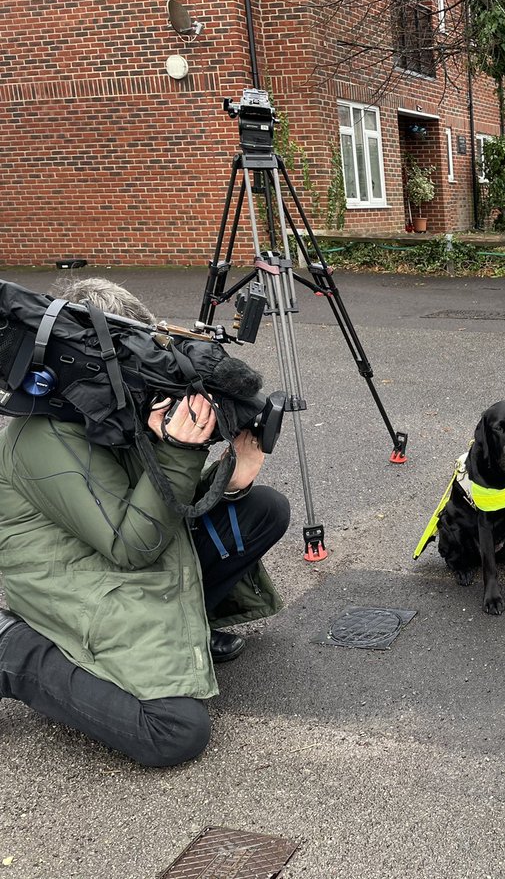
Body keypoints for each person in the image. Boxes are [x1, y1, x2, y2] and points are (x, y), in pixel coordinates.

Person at [0, 278, 289, 766]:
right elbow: (131, 545)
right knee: (174, 731)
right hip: (82, 579)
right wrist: (180, 448)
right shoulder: (44, 438)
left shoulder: (107, 403)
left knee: (262, 509)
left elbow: (158, 500)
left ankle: (189, 631)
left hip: (124, 552)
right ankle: (14, 651)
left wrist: (232, 480)